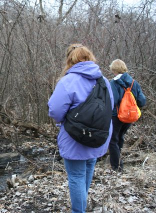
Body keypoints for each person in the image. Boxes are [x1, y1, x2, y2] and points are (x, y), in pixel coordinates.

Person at [48, 44, 114, 213]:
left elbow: (55, 110)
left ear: (70, 60)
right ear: (90, 58)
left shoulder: (68, 81)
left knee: (76, 175)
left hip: (74, 137)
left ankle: (79, 210)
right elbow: (110, 107)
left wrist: (64, 121)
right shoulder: (104, 80)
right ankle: (82, 206)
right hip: (99, 136)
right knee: (87, 169)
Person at [109, 59, 146, 171]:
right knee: (120, 137)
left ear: (113, 69)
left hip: (116, 116)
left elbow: (113, 100)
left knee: (113, 140)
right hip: (130, 116)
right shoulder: (134, 82)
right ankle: (119, 163)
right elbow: (142, 101)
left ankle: (117, 167)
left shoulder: (113, 83)